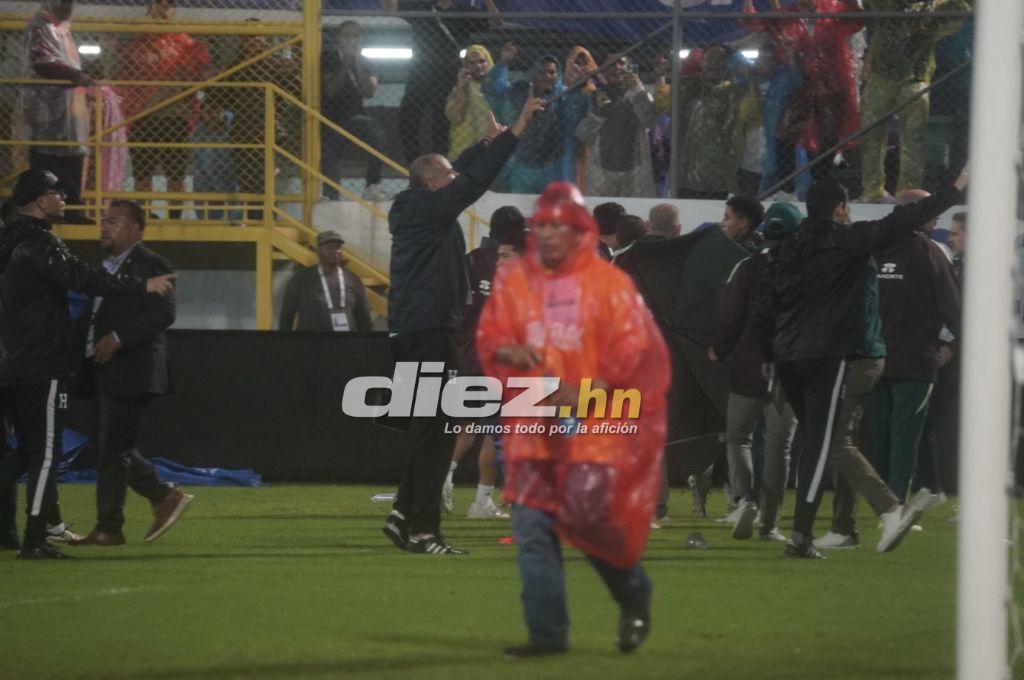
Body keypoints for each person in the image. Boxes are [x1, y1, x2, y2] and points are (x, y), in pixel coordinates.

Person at [476, 182, 669, 656]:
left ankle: (633, 591)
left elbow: (633, 345)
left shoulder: (607, 286)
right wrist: (506, 349)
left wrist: (597, 386)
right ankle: (547, 634)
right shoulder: (517, 283)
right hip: (531, 412)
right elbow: (490, 335)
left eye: (561, 227)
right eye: (543, 226)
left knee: (588, 525)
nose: (550, 235)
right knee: (531, 527)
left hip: (585, 418)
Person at [757, 168, 968, 558]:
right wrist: (953, 189)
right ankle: (808, 536)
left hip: (788, 356)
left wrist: (767, 354)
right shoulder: (847, 241)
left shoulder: (787, 246)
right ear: (841, 208)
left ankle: (843, 524)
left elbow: (766, 303)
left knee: (819, 443)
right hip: (827, 355)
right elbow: (902, 219)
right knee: (824, 445)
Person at [382, 95, 543, 555]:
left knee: (428, 431)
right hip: (429, 332)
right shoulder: (425, 208)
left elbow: (459, 174)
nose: (455, 179)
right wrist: (514, 133)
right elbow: (470, 182)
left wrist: (485, 141)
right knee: (438, 433)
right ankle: (423, 530)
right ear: (434, 184)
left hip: (416, 330)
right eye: (447, 176)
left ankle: (401, 516)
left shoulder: (418, 206)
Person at [0, 170, 175, 559]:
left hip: (11, 360)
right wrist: (141, 286)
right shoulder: (38, 241)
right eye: (57, 192)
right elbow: (80, 278)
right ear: (40, 200)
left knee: (23, 453)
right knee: (46, 454)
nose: (64, 198)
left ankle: (13, 530)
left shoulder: (9, 238)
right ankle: (36, 539)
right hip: (38, 362)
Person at [70, 200, 193, 546]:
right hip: (102, 368)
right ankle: (157, 498)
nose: (104, 227)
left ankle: (115, 523)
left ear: (137, 229)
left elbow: (163, 314)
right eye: (103, 221)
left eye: (113, 222)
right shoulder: (104, 267)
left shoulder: (153, 264)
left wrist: (119, 338)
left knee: (112, 447)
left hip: (133, 368)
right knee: (107, 446)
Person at [709, 202, 800, 543]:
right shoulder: (811, 268)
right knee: (781, 449)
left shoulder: (748, 267)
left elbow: (731, 314)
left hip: (749, 366)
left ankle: (743, 501)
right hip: (791, 369)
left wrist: (720, 347)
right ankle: (770, 523)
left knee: (738, 438)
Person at [870, 189, 960, 504]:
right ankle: (894, 504)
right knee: (903, 437)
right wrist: (950, 343)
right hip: (915, 361)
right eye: (931, 211)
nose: (937, 218)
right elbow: (954, 309)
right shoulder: (931, 254)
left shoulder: (874, 249)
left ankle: (881, 502)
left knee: (878, 436)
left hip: (874, 360)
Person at [443, 206, 527, 519]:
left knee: (471, 422)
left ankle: (444, 476)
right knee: (499, 430)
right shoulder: (520, 269)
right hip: (503, 360)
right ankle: (482, 500)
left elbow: (455, 302)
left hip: (468, 351)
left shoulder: (470, 260)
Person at [859, 0, 969, 202]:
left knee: (914, 140)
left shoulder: (935, 5)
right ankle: (872, 190)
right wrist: (869, 58)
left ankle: (908, 194)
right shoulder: (884, 5)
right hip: (880, 74)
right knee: (871, 134)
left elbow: (958, 13)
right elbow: (873, 21)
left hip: (915, 76)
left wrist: (926, 17)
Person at [119, 0, 212, 217]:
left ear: (173, 11)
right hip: (143, 115)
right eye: (157, 4)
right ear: (149, 9)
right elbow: (119, 74)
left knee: (176, 174)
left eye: (167, 5)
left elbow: (204, 72)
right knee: (142, 174)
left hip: (175, 116)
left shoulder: (185, 44)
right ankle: (143, 217)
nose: (162, 9)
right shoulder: (135, 44)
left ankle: (174, 218)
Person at [382, 0, 502, 162]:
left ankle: (439, 165)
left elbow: (496, 23)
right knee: (408, 120)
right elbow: (390, 10)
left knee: (440, 125)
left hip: (448, 75)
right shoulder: (421, 6)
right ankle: (414, 164)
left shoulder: (463, 11)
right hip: (421, 74)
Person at [20, 0, 93, 224]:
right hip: (47, 109)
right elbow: (43, 62)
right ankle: (44, 213)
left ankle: (70, 210)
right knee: (48, 163)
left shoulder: (60, 29)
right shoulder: (41, 26)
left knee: (71, 158)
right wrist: (75, 76)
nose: (69, 6)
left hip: (67, 111)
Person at [484, 50, 588, 194]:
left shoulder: (564, 96)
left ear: (558, 75)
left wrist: (578, 87)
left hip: (554, 167)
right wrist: (503, 64)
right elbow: (493, 90)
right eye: (542, 72)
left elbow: (576, 114)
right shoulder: (519, 94)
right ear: (534, 74)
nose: (547, 76)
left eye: (552, 72)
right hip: (523, 167)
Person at [654, 44, 743, 199]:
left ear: (728, 64)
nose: (714, 63)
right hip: (685, 170)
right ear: (701, 62)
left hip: (721, 171)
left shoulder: (734, 92)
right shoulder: (687, 85)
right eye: (710, 59)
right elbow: (665, 107)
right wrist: (661, 79)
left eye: (720, 59)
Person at [320, 21, 389, 203]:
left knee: (376, 134)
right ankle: (330, 193)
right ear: (338, 39)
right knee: (330, 151)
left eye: (356, 36)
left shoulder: (367, 61)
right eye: (346, 35)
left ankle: (372, 186)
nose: (351, 40)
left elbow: (369, 92)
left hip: (354, 115)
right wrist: (345, 64)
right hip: (329, 116)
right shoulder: (328, 57)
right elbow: (330, 90)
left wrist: (357, 63)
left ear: (361, 39)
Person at [574, 56, 657, 198]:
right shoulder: (592, 96)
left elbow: (649, 121)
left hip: (635, 170)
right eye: (612, 64)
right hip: (601, 171)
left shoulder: (640, 94)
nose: (617, 67)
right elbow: (582, 135)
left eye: (621, 63)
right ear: (603, 70)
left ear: (629, 68)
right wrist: (598, 113)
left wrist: (638, 90)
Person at [278, 231, 372, 333]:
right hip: (310, 345)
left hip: (345, 345)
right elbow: (286, 316)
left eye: (337, 247)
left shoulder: (353, 279)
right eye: (329, 247)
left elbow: (363, 318)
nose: (335, 251)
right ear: (318, 252)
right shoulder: (301, 278)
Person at [445, 44, 496, 160]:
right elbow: (455, 117)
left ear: (489, 62)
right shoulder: (459, 89)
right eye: (472, 63)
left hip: (492, 148)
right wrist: (463, 88)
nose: (478, 66)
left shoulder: (499, 88)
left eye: (481, 61)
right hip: (464, 150)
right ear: (466, 66)